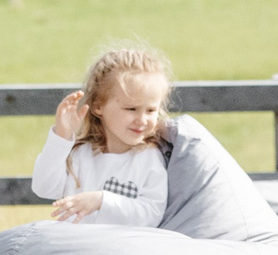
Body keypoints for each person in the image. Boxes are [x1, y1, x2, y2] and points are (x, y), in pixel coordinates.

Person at [32, 45, 173, 225]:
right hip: (77, 249)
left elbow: (151, 215)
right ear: (99, 106)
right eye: (131, 109)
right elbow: (43, 188)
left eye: (151, 110)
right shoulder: (81, 155)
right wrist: (62, 136)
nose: (142, 119)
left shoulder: (149, 159)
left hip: (123, 251)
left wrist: (101, 201)